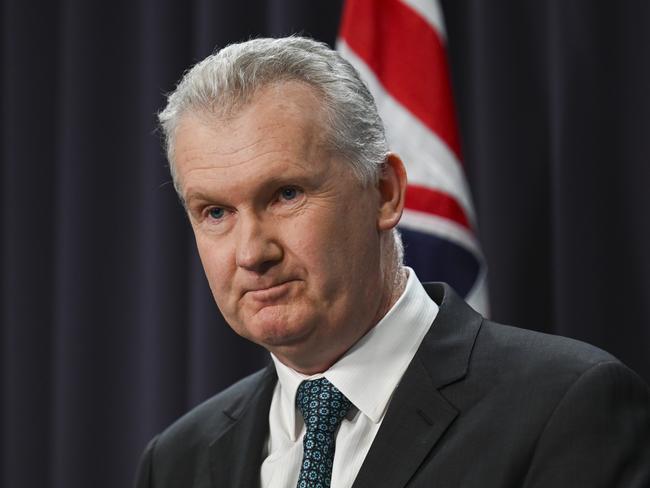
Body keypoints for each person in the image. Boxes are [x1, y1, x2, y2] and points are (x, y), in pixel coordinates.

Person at [135, 36, 650, 488]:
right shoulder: (178, 459)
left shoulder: (564, 409)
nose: (252, 253)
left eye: (286, 194)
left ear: (385, 193)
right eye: (216, 212)